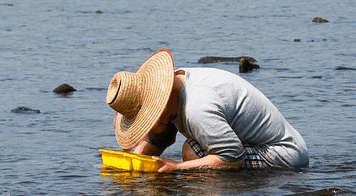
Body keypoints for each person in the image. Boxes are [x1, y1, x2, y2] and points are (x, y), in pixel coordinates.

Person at [107, 48, 308, 172]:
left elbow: (232, 157)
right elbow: (160, 135)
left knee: (192, 154)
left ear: (160, 105)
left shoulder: (197, 108)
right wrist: (133, 166)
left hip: (283, 154)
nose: (147, 126)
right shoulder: (175, 84)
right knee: (191, 150)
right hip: (253, 141)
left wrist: (176, 167)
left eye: (148, 121)